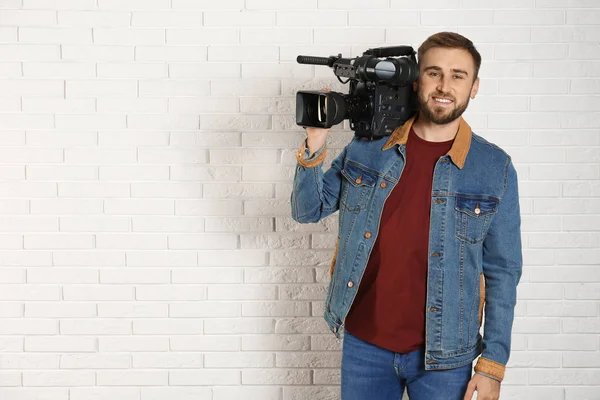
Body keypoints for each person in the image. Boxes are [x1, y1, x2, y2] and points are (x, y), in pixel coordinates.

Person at [290, 32, 522, 400]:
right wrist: (315, 141)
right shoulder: (367, 148)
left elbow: (503, 272)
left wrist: (492, 366)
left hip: (446, 357)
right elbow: (307, 210)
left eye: (458, 76)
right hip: (365, 345)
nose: (444, 86)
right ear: (417, 81)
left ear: (474, 87)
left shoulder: (495, 168)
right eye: (434, 73)